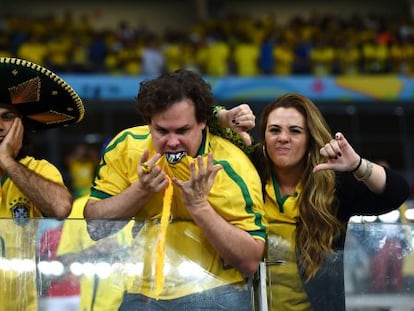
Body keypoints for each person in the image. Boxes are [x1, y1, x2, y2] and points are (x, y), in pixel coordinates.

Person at [83, 69, 266, 310]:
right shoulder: (127, 147)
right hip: (142, 292)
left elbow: (251, 260)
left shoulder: (232, 164)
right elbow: (95, 226)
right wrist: (141, 190)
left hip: (215, 293)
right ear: (149, 122)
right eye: (161, 130)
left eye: (182, 131)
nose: (171, 142)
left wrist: (199, 206)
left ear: (203, 122)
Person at [216, 93, 410, 310]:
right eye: (274, 130)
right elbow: (193, 127)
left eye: (295, 131)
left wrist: (357, 165)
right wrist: (223, 116)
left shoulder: (331, 184)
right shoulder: (246, 173)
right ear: (264, 136)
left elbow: (396, 193)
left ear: (310, 138)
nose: (283, 138)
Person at [0, 57, 84, 311]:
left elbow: (60, 208)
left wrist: (7, 161)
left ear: (22, 126)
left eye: (7, 117)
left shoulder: (39, 170)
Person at [57, 195, 134, 311]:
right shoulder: (80, 207)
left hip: (133, 304)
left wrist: (121, 251)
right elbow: (63, 263)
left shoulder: (144, 205)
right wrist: (95, 251)